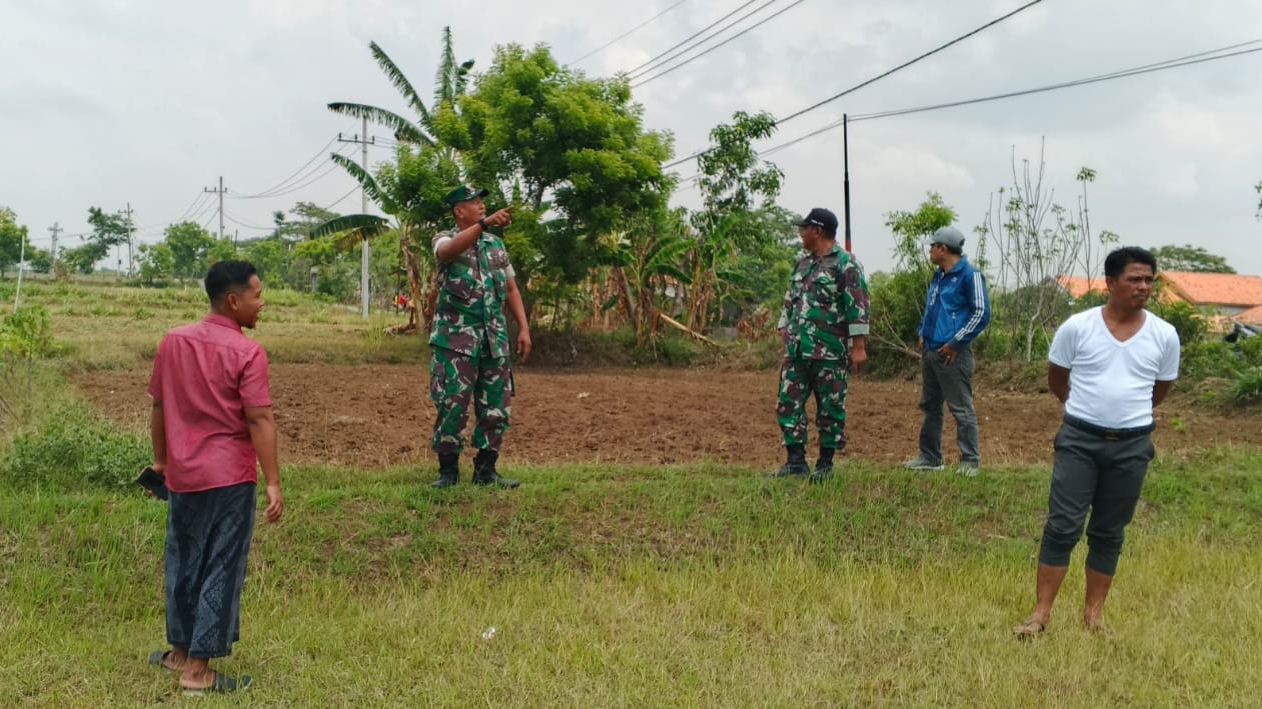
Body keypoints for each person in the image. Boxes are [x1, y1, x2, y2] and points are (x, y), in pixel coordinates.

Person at [1013, 247, 1179, 638]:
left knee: (1109, 531)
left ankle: (1094, 617)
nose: (1144, 286)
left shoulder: (1164, 335)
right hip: (1079, 441)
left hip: (1132, 446)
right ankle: (1039, 615)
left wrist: (1126, 417)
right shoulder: (1078, 327)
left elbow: (1159, 390)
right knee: (1062, 526)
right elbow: (1057, 379)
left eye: (1149, 280)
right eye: (1134, 279)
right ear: (1110, 282)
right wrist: (1085, 411)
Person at [145, 260, 283, 694]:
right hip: (228, 478)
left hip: (183, 474)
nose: (263, 303)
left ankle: (179, 653)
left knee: (183, 562)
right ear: (234, 301)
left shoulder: (173, 341)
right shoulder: (247, 352)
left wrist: (161, 462)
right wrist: (273, 481)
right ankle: (198, 672)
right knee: (220, 566)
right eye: (257, 295)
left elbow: (158, 406)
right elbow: (259, 419)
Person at [429, 184, 531, 488]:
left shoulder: (495, 245)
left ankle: (486, 471)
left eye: (481, 201)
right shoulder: (443, 239)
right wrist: (484, 224)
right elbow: (447, 251)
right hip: (455, 342)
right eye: (474, 202)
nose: (481, 205)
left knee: (496, 407)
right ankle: (448, 472)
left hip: (493, 340)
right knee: (452, 404)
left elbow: (510, 288)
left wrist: (524, 327)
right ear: (459, 211)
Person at [771, 207, 870, 482]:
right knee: (788, 403)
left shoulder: (846, 264)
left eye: (804, 228)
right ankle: (795, 463)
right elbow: (790, 300)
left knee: (831, 408)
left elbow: (858, 306)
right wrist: (784, 326)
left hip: (830, 351)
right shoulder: (803, 264)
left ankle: (825, 465)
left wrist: (858, 347)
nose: (801, 233)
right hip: (797, 350)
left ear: (817, 231)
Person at [902, 225, 991, 476]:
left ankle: (970, 461)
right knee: (930, 406)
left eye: (932, 246)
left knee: (961, 407)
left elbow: (981, 313)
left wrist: (956, 342)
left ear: (943, 248)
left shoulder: (970, 276)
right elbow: (932, 307)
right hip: (931, 351)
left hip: (953, 355)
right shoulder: (939, 276)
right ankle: (930, 457)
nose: (929, 250)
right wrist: (923, 330)